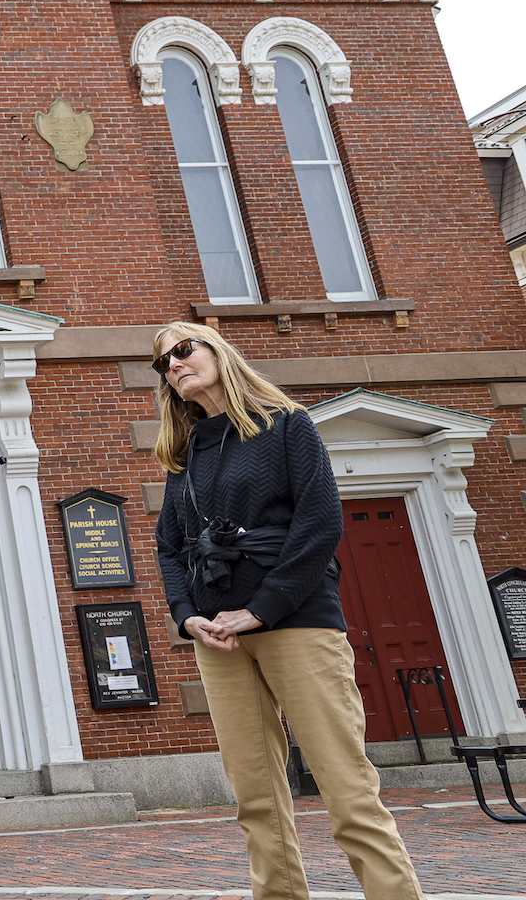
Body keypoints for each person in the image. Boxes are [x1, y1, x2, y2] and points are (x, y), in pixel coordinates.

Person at [151, 322, 423, 900]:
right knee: (256, 799)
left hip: (295, 620)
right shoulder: (184, 457)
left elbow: (320, 524)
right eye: (162, 364)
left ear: (218, 352)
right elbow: (170, 548)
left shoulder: (287, 427)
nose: (173, 366)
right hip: (218, 637)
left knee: (346, 789)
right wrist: (185, 615)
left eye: (181, 350)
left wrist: (263, 608)